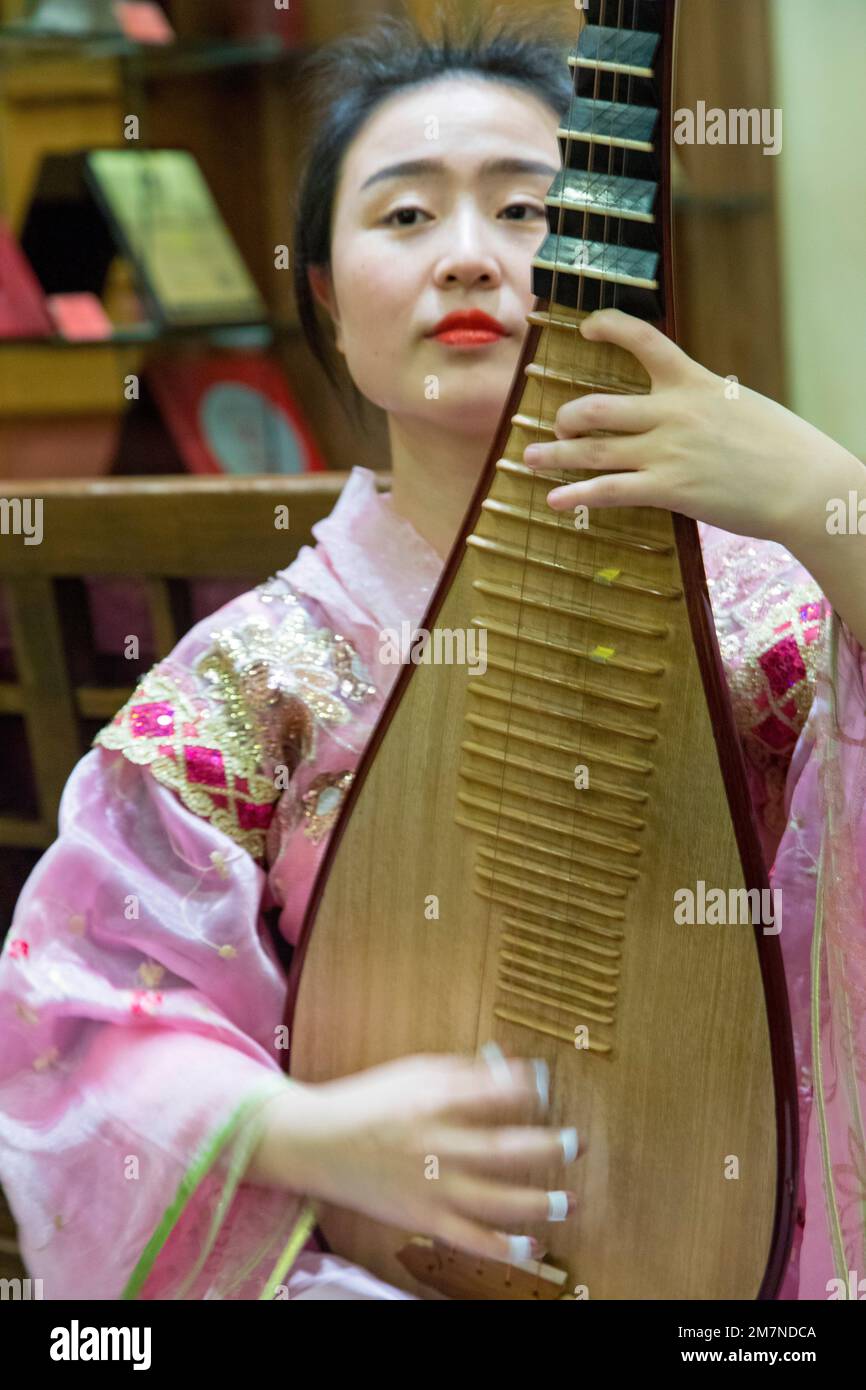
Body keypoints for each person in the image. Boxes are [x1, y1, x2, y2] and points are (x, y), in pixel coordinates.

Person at [1, 9, 864, 1302]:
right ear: (330, 307)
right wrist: (309, 1133)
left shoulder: (769, 623)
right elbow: (66, 1021)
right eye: (404, 218)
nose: (466, 255)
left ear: (615, 272)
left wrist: (825, 499)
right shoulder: (259, 672)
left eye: (526, 213)